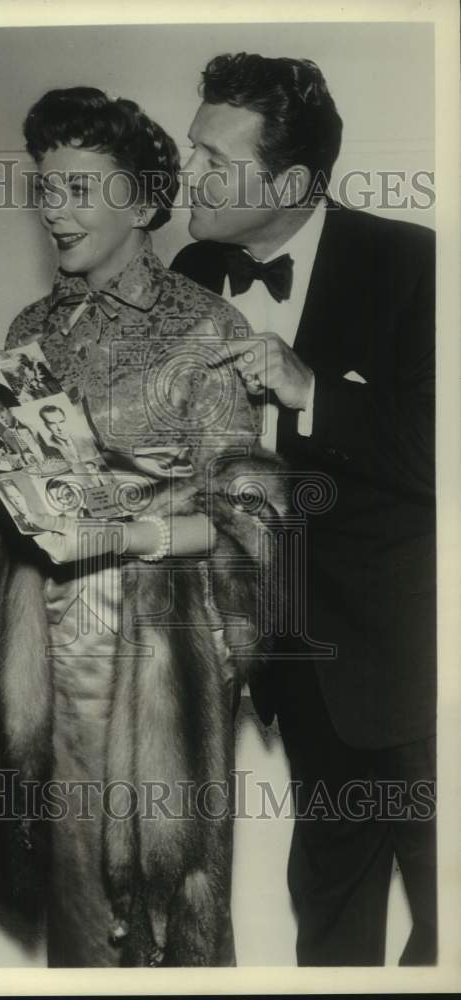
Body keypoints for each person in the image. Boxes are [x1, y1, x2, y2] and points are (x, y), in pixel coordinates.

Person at [0, 87, 287, 967]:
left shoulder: (205, 330)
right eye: (44, 188)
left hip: (156, 665)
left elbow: (247, 528)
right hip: (39, 657)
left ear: (146, 202)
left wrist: (129, 534)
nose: (52, 209)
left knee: (165, 910)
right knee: (74, 909)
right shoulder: (28, 328)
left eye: (77, 188)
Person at [171, 53, 436, 966]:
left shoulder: (414, 264)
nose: (187, 175)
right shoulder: (193, 268)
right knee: (329, 926)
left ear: (287, 182)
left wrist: (313, 389)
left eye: (211, 159)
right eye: (189, 150)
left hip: (415, 668)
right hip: (292, 661)